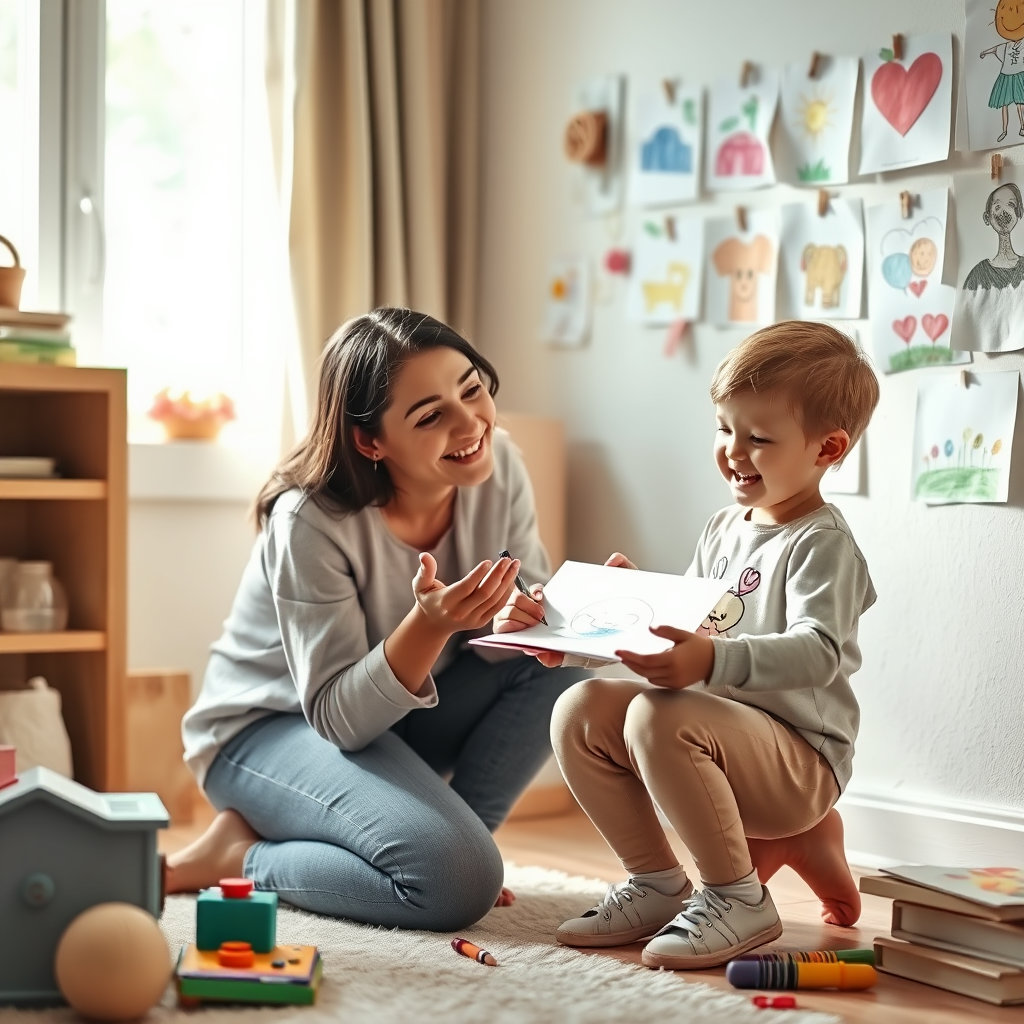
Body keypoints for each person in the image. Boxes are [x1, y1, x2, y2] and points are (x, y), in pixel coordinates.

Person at [166, 307, 589, 931]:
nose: (470, 422)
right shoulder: (309, 520)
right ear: (371, 440)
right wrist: (431, 624)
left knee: (559, 666)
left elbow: (528, 615)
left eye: (471, 390)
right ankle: (242, 854)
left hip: (398, 720)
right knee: (454, 883)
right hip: (268, 730)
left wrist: (555, 615)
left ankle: (453, 841)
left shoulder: (501, 468)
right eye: (430, 415)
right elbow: (339, 719)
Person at [526, 321, 879, 970]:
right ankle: (657, 883)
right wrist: (578, 634)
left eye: (758, 438)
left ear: (827, 448)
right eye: (724, 428)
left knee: (659, 712)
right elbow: (684, 631)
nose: (732, 451)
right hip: (725, 741)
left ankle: (736, 896)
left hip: (801, 758)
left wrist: (711, 659)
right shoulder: (724, 528)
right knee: (579, 708)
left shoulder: (821, 543)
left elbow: (819, 650)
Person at [962, 182, 1024, 290]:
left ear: (1019, 212)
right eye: (997, 206)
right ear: (987, 217)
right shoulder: (979, 273)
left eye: (1011, 204)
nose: (1004, 211)